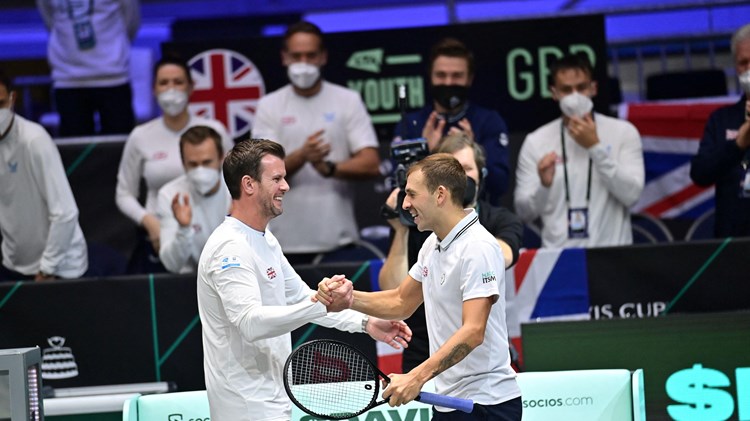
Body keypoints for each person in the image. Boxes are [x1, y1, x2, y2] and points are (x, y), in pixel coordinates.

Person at [197, 138, 411, 421]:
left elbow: (300, 297)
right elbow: (249, 323)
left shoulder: (266, 240)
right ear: (249, 185)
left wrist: (366, 323)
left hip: (272, 402)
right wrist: (322, 304)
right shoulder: (230, 247)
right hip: (244, 409)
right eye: (277, 178)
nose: (285, 186)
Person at [318, 154, 522, 420]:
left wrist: (415, 377)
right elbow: (401, 301)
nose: (405, 204)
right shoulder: (432, 244)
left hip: (487, 405)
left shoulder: (478, 247)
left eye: (412, 194)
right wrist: (348, 298)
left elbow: (473, 331)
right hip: (450, 402)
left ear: (440, 195)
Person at [379, 133, 523, 372]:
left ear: (481, 173)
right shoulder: (424, 231)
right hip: (423, 351)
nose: (459, 176)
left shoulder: (484, 238)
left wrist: (456, 233)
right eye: (451, 168)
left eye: (465, 168)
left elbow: (503, 254)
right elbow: (397, 297)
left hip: (478, 371)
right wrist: (401, 229)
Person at [252, 21, 380, 263]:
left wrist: (331, 168)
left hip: (338, 241)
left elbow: (371, 163)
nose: (304, 63)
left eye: (310, 55)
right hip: (280, 243)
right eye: (296, 55)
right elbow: (259, 170)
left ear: (323, 57)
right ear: (284, 58)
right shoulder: (269, 105)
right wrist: (302, 156)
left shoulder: (347, 100)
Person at [115, 56, 233, 274]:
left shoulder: (213, 130)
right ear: (154, 89)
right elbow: (124, 194)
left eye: (178, 82)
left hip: (213, 230)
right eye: (164, 83)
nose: (171, 89)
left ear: (190, 87)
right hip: (160, 233)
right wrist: (150, 222)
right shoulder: (141, 136)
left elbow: (233, 179)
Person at [514, 54, 644, 248]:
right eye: (566, 90)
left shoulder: (624, 132)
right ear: (554, 93)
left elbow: (632, 195)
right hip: (558, 259)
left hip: (613, 257)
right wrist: (544, 186)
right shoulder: (536, 141)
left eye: (581, 88)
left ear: (593, 89)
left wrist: (595, 147)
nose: (575, 96)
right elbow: (523, 212)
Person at [394, 38, 511, 206]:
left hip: (479, 220)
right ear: (431, 76)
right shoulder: (411, 124)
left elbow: (500, 184)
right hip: (424, 224)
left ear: (469, 79)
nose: (448, 82)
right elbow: (399, 187)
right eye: (441, 75)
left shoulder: (488, 121)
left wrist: (473, 152)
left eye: (456, 76)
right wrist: (426, 155)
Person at [0, 69, 88, 281]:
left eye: (0, 103)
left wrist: (47, 268)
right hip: (14, 264)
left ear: (12, 99)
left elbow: (65, 213)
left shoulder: (35, 141)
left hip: (58, 270)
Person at [37, 0, 140, 137]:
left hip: (113, 76)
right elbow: (50, 20)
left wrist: (114, 48)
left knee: (121, 148)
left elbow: (131, 20)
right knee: (77, 153)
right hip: (67, 78)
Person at [690, 22, 750, 237]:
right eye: (744, 63)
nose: (749, 69)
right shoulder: (721, 119)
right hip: (731, 243)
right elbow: (699, 173)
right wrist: (737, 145)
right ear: (736, 67)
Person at [156, 126, 231, 274]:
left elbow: (261, 250)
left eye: (207, 162)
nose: (200, 170)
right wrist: (183, 230)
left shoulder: (242, 189)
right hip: (192, 282)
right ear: (183, 163)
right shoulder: (170, 195)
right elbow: (171, 264)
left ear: (221, 158)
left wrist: (240, 228)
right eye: (193, 164)